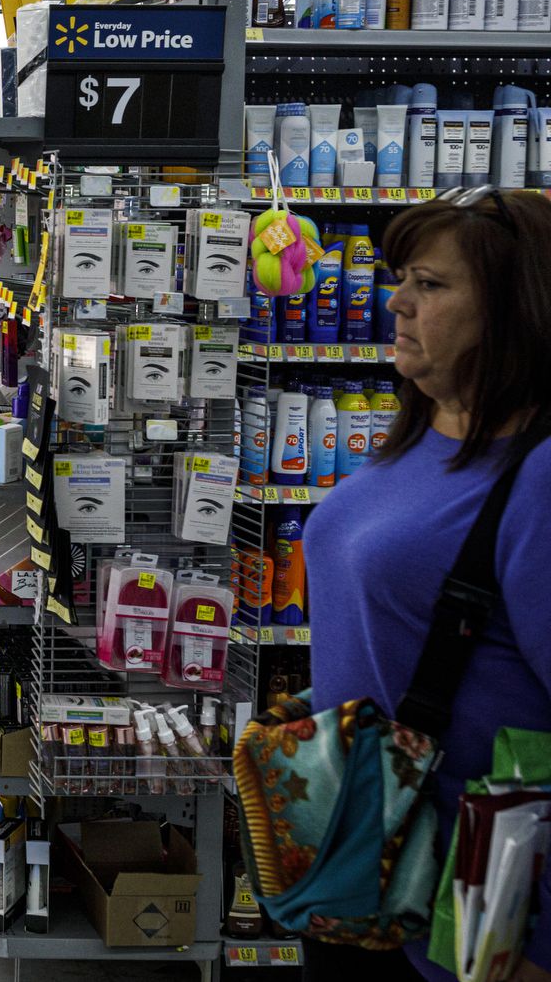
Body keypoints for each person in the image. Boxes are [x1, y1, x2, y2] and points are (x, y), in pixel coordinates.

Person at [303, 187, 551, 982]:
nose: (398, 301)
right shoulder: (422, 432)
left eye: (432, 284)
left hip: (462, 913)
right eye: (401, 276)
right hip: (356, 863)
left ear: (516, 310)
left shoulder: (538, 476)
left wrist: (539, 945)